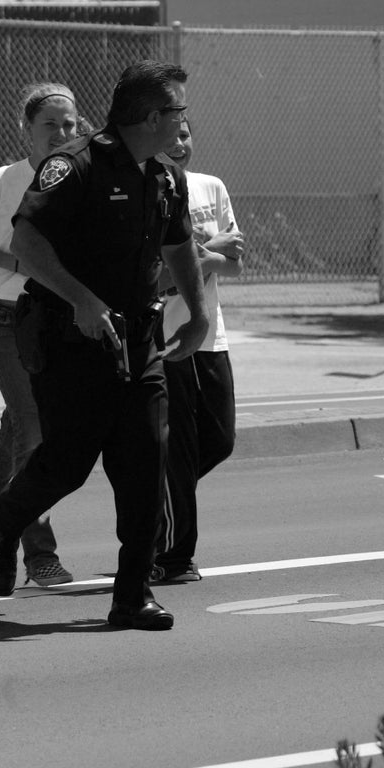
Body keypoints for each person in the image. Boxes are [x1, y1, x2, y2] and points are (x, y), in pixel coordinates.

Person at [0, 60, 208, 631]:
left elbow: (179, 245)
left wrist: (198, 315)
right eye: (178, 110)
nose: (183, 121)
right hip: (69, 337)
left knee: (145, 460)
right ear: (154, 116)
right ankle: (5, 522)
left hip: (140, 341)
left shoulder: (164, 176)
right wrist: (80, 299)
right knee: (67, 463)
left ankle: (131, 595)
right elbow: (27, 243)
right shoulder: (73, 165)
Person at [0, 83, 79, 588]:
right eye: (50, 124)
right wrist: (16, 261)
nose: (62, 133)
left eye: (69, 124)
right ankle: (37, 553)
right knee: (34, 431)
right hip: (7, 318)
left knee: (20, 425)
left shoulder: (83, 177)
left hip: (59, 320)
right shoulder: (3, 182)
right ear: (26, 128)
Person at [152, 119, 245, 582]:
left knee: (219, 440)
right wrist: (208, 251)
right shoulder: (146, 191)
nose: (179, 144)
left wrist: (207, 257)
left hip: (210, 335)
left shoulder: (212, 187)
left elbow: (235, 263)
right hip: (166, 340)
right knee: (179, 449)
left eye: (185, 135)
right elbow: (157, 275)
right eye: (169, 137)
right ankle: (172, 557)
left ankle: (154, 507)